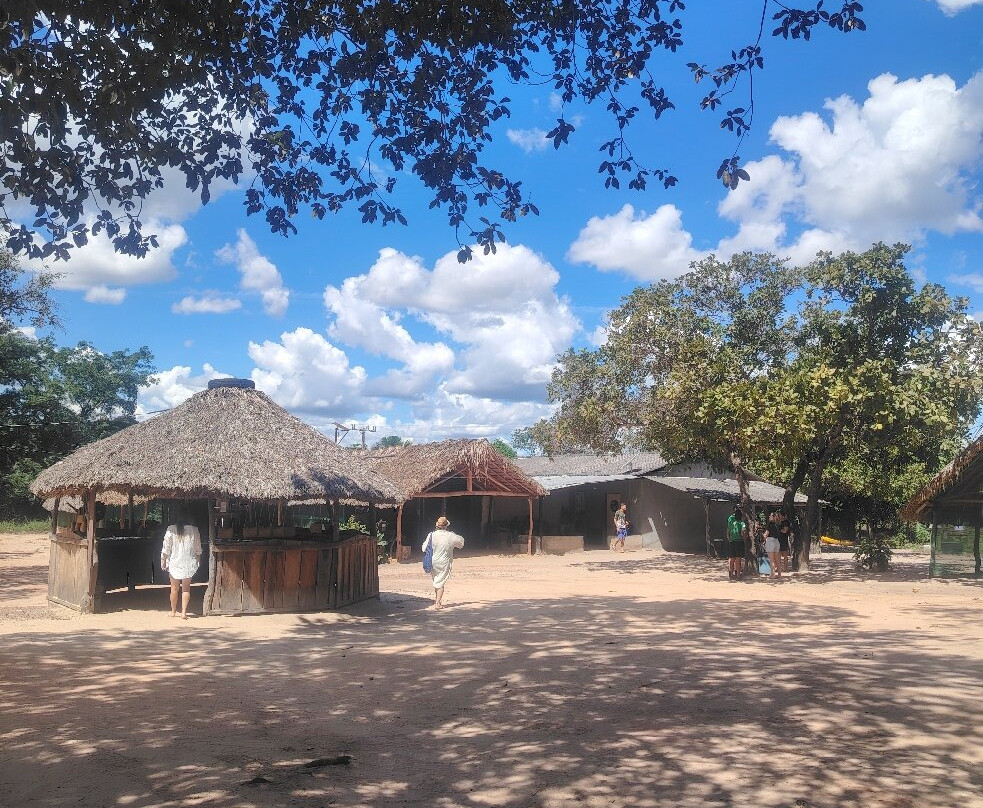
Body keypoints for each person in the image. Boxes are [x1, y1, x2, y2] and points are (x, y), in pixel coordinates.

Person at [161, 515, 202, 619]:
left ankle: (173, 611)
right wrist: (198, 560)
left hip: (175, 563)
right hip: (189, 562)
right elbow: (198, 547)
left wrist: (163, 561)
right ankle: (184, 613)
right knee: (186, 589)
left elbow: (166, 548)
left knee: (174, 589)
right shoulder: (194, 530)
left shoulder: (171, 529)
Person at [422, 516, 465, 610]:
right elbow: (461, 544)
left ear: (437, 525)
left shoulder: (431, 535)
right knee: (440, 583)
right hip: (444, 562)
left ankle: (437, 600)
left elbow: (423, 548)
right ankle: (437, 603)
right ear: (446, 526)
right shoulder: (451, 535)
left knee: (436, 581)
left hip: (432, 561)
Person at [726, 506, 748, 580]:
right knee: (738, 558)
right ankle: (738, 575)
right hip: (739, 541)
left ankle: (730, 574)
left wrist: (729, 538)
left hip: (732, 540)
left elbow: (728, 530)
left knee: (731, 558)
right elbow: (743, 531)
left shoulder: (730, 518)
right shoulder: (742, 521)